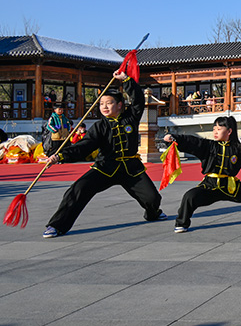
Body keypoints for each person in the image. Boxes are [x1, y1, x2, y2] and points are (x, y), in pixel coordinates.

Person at [42, 71, 166, 238]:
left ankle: (153, 213)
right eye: (101, 104)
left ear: (120, 105)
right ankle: (56, 226)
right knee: (78, 189)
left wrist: (126, 80)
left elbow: (137, 100)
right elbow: (84, 146)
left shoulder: (131, 118)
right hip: (105, 168)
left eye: (109, 103)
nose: (104, 107)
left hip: (130, 168)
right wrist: (60, 156)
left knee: (153, 199)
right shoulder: (99, 127)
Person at [164, 116, 241, 233]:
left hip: (230, 186)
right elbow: (192, 142)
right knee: (190, 196)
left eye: (219, 129)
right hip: (210, 186)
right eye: (214, 129)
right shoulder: (208, 146)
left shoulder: (238, 149)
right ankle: (182, 223)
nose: (215, 132)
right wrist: (174, 138)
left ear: (229, 131)